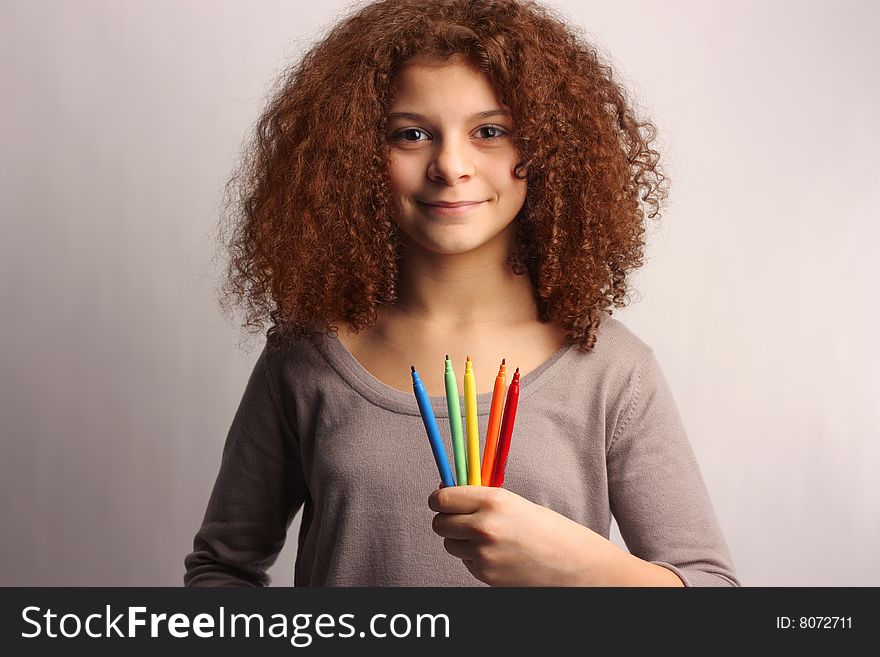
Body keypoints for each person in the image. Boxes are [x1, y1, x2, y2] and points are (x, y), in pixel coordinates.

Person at [184, 0, 739, 587]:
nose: (451, 165)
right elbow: (223, 568)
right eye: (412, 134)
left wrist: (580, 569)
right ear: (353, 156)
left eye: (490, 131)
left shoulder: (610, 368)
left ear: (546, 149)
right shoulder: (304, 357)